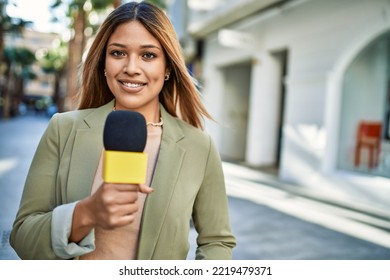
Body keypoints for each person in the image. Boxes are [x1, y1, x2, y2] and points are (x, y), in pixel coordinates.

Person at [10, 1, 236, 260]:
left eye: (148, 55)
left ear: (168, 69)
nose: (131, 67)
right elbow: (23, 237)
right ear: (104, 63)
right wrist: (86, 213)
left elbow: (217, 241)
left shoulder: (199, 147)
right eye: (118, 53)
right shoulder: (63, 129)